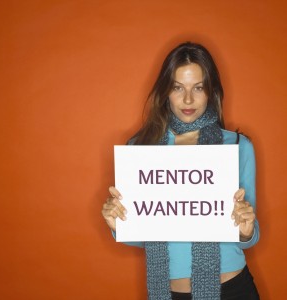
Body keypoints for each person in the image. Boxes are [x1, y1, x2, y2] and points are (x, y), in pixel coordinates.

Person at [102, 42, 260, 300]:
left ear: (211, 92)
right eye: (178, 88)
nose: (188, 99)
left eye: (198, 87)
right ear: (166, 91)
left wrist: (245, 229)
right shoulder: (140, 149)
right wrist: (119, 224)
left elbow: (251, 235)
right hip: (170, 292)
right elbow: (145, 232)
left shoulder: (237, 146)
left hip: (232, 289)